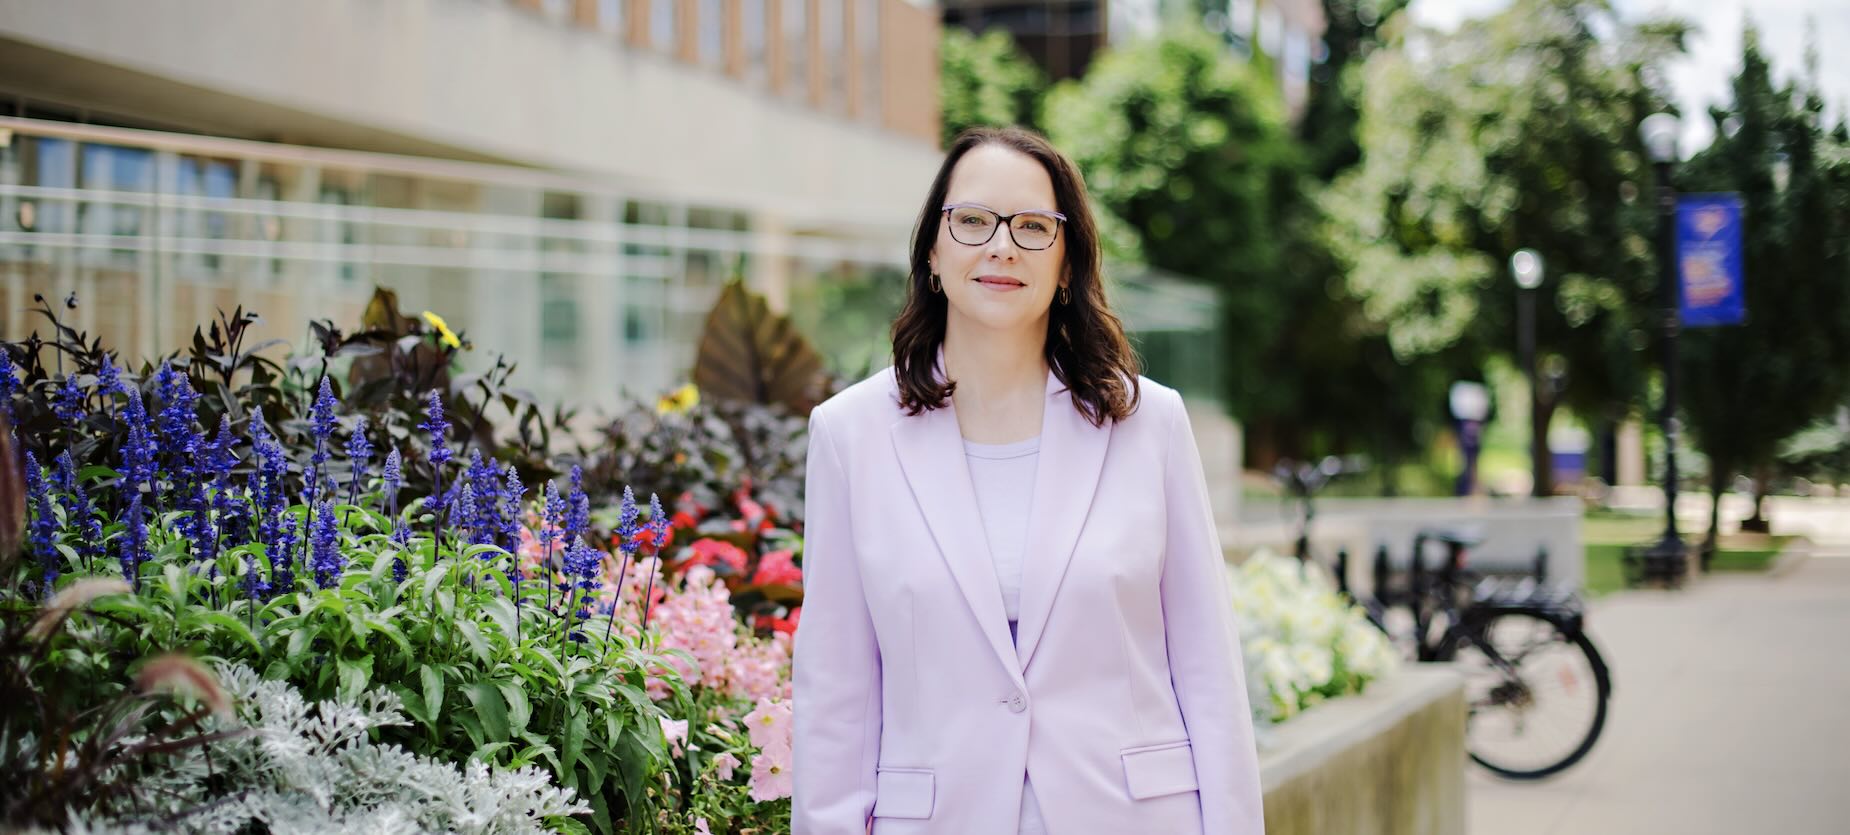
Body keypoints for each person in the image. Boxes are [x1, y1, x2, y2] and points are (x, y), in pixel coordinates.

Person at [791, 126, 1264, 835]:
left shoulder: (1149, 422)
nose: (1002, 245)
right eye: (974, 221)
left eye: (1034, 226)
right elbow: (836, 692)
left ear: (1068, 262)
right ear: (932, 250)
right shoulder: (849, 434)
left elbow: (1207, 668)